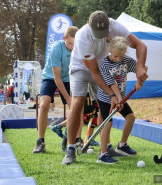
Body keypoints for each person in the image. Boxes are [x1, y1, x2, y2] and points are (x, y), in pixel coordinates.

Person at [62, 10, 148, 165]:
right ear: (89, 25)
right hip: (81, 67)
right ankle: (70, 147)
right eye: (98, 33)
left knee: (104, 106)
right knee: (78, 102)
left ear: (109, 24)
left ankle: (105, 148)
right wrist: (112, 94)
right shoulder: (82, 36)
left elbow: (140, 46)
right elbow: (94, 72)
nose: (102, 36)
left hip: (103, 68)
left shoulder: (116, 26)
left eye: (104, 32)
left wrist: (140, 67)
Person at [96, 37, 145, 164]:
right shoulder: (104, 64)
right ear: (110, 50)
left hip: (120, 98)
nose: (118, 59)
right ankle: (103, 154)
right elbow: (112, 85)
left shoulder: (126, 60)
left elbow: (143, 69)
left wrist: (140, 81)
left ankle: (122, 145)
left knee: (131, 117)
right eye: (116, 56)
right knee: (108, 123)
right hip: (106, 97)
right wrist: (118, 99)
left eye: (121, 56)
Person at [32, 26, 79, 154]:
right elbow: (57, 78)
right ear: (64, 38)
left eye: (75, 44)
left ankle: (75, 140)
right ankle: (40, 141)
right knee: (44, 105)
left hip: (68, 78)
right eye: (70, 43)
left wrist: (72, 102)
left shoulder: (79, 47)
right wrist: (68, 99)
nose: (72, 47)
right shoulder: (56, 48)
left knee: (77, 107)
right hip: (50, 77)